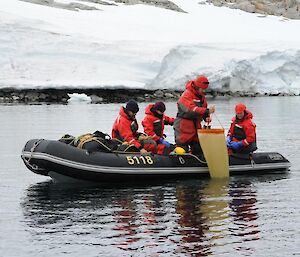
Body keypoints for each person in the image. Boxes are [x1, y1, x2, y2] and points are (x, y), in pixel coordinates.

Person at [174, 75, 215, 154]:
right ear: (197, 86)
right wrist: (207, 111)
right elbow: (190, 109)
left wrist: (206, 117)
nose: (204, 91)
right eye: (202, 89)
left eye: (205, 89)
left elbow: (203, 108)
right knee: (181, 149)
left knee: (198, 149)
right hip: (183, 126)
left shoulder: (201, 96)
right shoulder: (186, 95)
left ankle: (198, 163)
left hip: (195, 126)